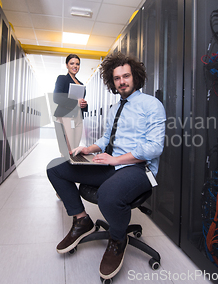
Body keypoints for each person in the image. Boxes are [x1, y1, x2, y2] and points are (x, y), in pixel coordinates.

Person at [47, 52, 166, 280]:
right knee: (56, 168)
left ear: (135, 77)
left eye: (126, 76)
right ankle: (81, 220)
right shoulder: (114, 109)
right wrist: (88, 149)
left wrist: (116, 160)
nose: (122, 81)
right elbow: (105, 140)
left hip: (139, 170)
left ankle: (118, 238)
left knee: (107, 195)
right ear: (113, 82)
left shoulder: (151, 105)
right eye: (117, 78)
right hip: (112, 165)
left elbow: (154, 148)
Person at [53, 53, 88, 148]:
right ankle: (66, 163)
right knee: (67, 148)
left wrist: (84, 104)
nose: (75, 66)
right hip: (66, 116)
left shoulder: (81, 84)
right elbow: (56, 98)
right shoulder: (62, 79)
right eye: (72, 63)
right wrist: (76, 102)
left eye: (77, 64)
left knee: (75, 147)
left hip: (78, 117)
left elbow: (81, 101)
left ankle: (72, 162)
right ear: (67, 65)